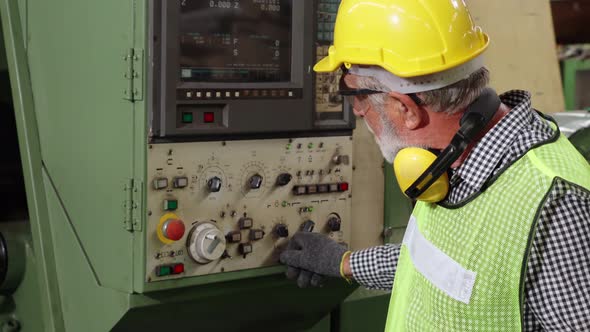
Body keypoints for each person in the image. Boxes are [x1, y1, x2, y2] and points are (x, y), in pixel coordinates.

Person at [279, 0, 590, 331]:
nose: (357, 111)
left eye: (357, 97)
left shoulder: (556, 207)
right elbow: (445, 264)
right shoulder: (448, 165)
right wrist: (344, 264)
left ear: (406, 109)